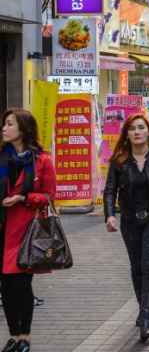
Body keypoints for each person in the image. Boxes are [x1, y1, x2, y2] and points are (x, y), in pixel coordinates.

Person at [104, 114, 149, 343]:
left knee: (148, 266)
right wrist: (109, 216)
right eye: (132, 129)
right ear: (127, 134)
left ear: (148, 132)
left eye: (141, 128)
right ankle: (142, 307)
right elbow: (109, 190)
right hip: (129, 221)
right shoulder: (118, 161)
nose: (136, 132)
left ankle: (146, 318)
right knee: (136, 267)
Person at [0, 110, 56, 352]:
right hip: (2, 229)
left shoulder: (41, 160)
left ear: (22, 129)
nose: (4, 128)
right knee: (5, 286)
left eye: (9, 124)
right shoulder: (2, 157)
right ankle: (13, 335)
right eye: (4, 123)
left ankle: (25, 337)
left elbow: (49, 196)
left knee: (21, 285)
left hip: (26, 232)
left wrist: (23, 197)